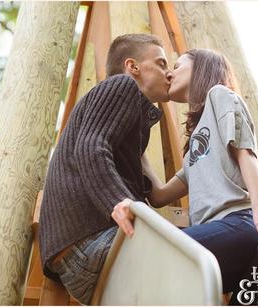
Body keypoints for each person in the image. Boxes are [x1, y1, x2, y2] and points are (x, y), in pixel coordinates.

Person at [112, 48, 258, 296]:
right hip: (216, 244)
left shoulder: (218, 96)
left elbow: (245, 151)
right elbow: (158, 195)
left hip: (238, 223)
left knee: (153, 257)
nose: (169, 74)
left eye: (177, 66)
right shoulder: (194, 152)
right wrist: (135, 141)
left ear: (200, 68)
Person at [38, 34, 172, 305]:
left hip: (76, 264)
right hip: (89, 243)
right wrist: (119, 201)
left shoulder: (133, 131)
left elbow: (156, 194)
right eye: (161, 63)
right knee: (200, 255)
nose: (169, 73)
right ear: (132, 67)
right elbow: (91, 146)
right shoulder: (121, 85)